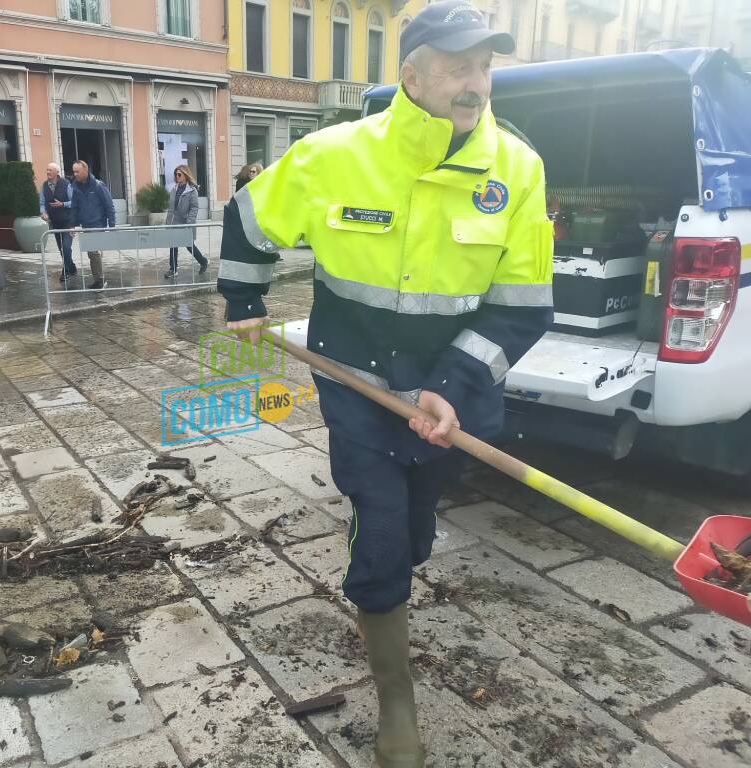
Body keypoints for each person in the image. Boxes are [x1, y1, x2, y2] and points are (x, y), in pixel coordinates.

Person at [216, 4, 552, 766]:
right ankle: (395, 697)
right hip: (358, 382)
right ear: (411, 73)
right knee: (383, 524)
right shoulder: (334, 154)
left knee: (419, 525)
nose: (475, 83)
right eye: (458, 65)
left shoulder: (518, 170)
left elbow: (524, 304)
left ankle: (395, 564)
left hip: (449, 398)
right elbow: (247, 220)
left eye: (485, 66)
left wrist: (454, 387)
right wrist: (245, 299)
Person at [70, 160, 115, 290]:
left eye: (77, 171)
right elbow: (74, 207)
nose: (75, 174)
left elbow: (109, 205)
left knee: (94, 252)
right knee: (91, 253)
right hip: (86, 225)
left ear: (85, 170)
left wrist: (112, 226)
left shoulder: (98, 186)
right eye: (74, 171)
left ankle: (100, 280)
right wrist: (72, 224)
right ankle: (98, 279)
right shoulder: (76, 188)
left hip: (98, 224)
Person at [164, 164, 208, 279]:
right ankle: (173, 269)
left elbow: (194, 208)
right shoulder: (174, 189)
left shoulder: (192, 191)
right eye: (175, 174)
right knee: (173, 245)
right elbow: (171, 208)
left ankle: (203, 261)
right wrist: (167, 222)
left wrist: (189, 223)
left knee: (189, 245)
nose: (177, 176)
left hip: (185, 223)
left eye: (179, 174)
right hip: (174, 222)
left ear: (185, 175)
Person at [39, 162, 76, 282]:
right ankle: (72, 267)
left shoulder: (66, 184)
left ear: (57, 172)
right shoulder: (44, 186)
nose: (48, 172)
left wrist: (62, 204)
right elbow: (42, 203)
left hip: (68, 221)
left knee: (66, 246)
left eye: (50, 170)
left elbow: (74, 202)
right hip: (55, 221)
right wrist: (43, 212)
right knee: (61, 248)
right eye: (47, 170)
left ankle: (65, 271)